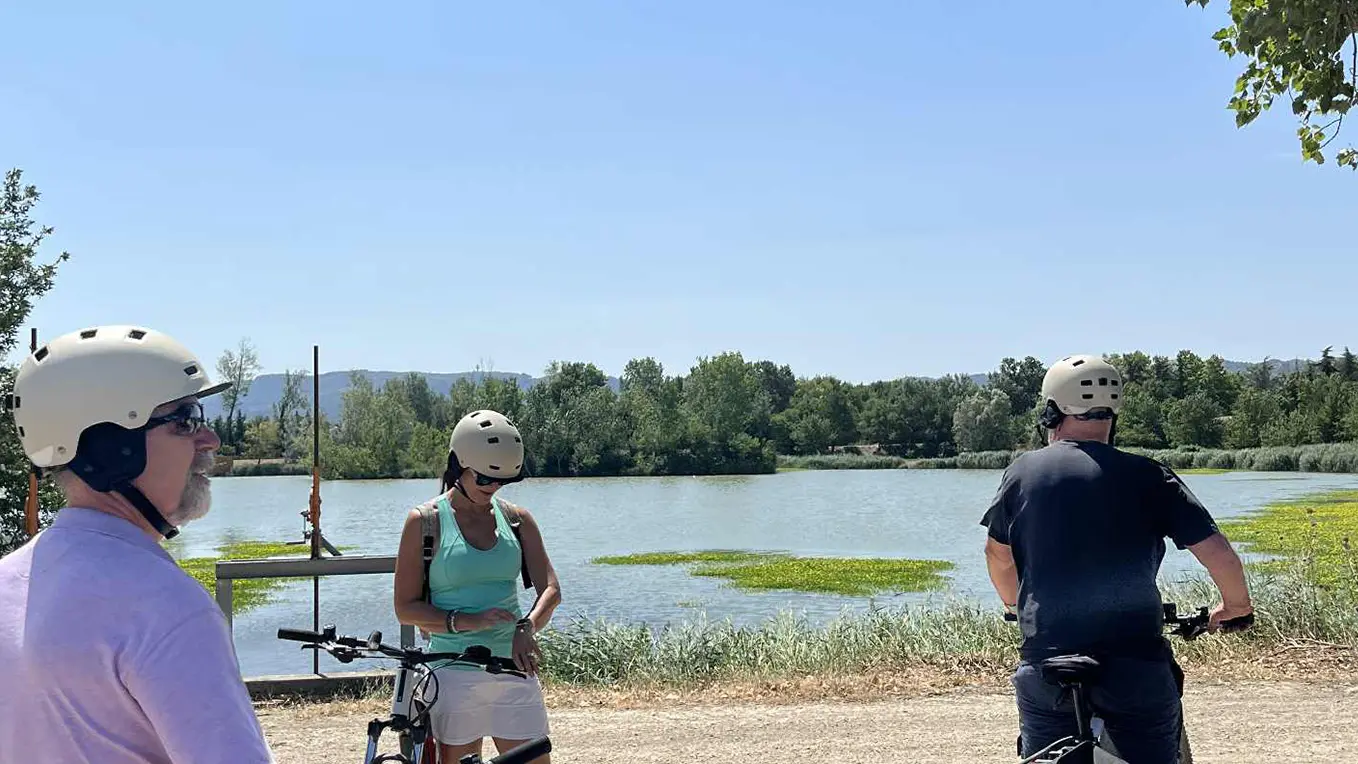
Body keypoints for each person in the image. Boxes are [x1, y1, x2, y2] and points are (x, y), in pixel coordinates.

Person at [0, 324, 274, 763]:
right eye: (186, 420)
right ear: (111, 448)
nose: (211, 440)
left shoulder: (6, 582)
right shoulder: (165, 606)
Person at [979, 353, 1253, 763]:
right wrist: (1235, 606)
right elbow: (1220, 555)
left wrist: (1014, 606)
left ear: (1051, 411)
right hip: (1135, 667)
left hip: (1049, 662)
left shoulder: (1024, 473)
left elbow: (997, 556)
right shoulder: (1148, 475)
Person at [393, 408, 561, 764]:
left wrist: (526, 627)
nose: (493, 487)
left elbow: (550, 589)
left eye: (502, 481)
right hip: (453, 672)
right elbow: (405, 608)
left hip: (515, 669)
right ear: (458, 466)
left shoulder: (517, 520)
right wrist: (466, 621)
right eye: (484, 479)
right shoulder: (424, 523)